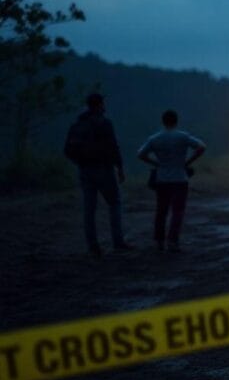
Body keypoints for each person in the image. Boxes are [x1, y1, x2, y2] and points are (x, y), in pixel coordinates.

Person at [63, 93, 133, 258]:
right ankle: (118, 242)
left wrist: (80, 162)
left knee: (89, 209)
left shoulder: (78, 125)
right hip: (104, 169)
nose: (104, 106)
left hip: (85, 170)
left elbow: (67, 150)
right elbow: (113, 146)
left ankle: (93, 247)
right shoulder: (105, 123)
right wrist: (120, 168)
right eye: (103, 104)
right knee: (114, 203)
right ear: (99, 105)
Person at [137, 110, 206, 252]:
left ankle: (159, 241)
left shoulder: (155, 138)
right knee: (177, 212)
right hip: (180, 178)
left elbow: (140, 154)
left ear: (163, 121)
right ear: (176, 121)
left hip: (162, 178)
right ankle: (173, 242)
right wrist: (188, 161)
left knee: (161, 211)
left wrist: (156, 163)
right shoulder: (183, 137)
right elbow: (201, 146)